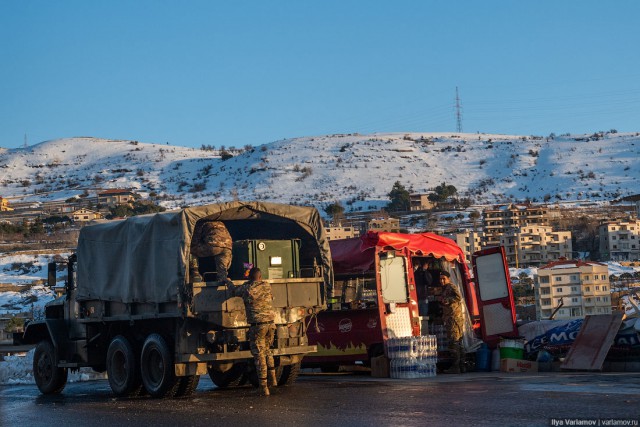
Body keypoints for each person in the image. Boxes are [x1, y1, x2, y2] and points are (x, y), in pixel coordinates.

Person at [227, 267, 277, 396]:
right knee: (268, 350)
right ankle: (273, 379)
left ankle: (264, 387)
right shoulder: (267, 286)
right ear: (260, 277)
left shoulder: (247, 288)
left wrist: (228, 281)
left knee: (259, 355)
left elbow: (233, 291)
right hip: (271, 324)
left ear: (249, 278)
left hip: (257, 325)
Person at [439, 271, 465, 374]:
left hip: (454, 318)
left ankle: (456, 367)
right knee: (458, 343)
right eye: (440, 279)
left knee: (454, 342)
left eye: (444, 278)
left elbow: (459, 297)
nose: (442, 281)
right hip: (450, 318)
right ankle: (461, 366)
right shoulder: (445, 289)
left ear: (448, 279)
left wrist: (448, 300)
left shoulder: (451, 287)